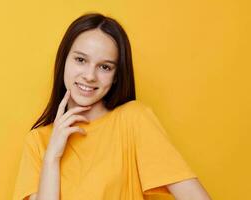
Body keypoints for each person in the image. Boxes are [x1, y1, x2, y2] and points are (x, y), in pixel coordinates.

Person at [13, 13, 211, 200]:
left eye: (104, 67)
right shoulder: (38, 142)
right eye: (81, 60)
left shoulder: (133, 120)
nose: (90, 76)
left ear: (116, 76)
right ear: (64, 60)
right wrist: (52, 158)